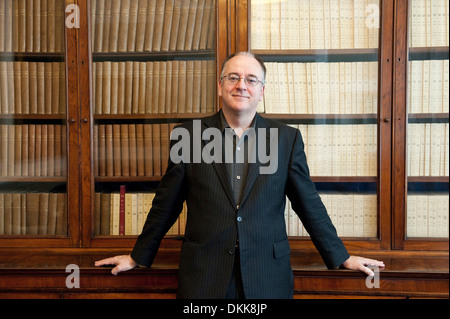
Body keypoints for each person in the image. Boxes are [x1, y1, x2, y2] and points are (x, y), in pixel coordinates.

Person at [95, 52, 385, 299]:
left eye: (250, 79)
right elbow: (166, 203)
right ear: (220, 86)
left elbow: (308, 203)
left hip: (267, 276)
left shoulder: (286, 140)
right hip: (204, 276)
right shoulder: (189, 136)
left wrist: (341, 257)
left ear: (261, 90)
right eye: (233, 77)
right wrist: (138, 256)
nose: (241, 85)